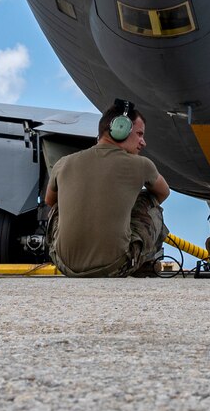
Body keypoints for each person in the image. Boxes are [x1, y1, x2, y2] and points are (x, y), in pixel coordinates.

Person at [45, 99, 171, 278]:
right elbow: (163, 193)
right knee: (149, 201)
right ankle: (144, 262)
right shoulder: (142, 165)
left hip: (65, 266)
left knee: (60, 204)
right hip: (116, 267)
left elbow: (50, 202)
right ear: (121, 129)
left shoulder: (63, 163)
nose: (143, 143)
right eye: (140, 134)